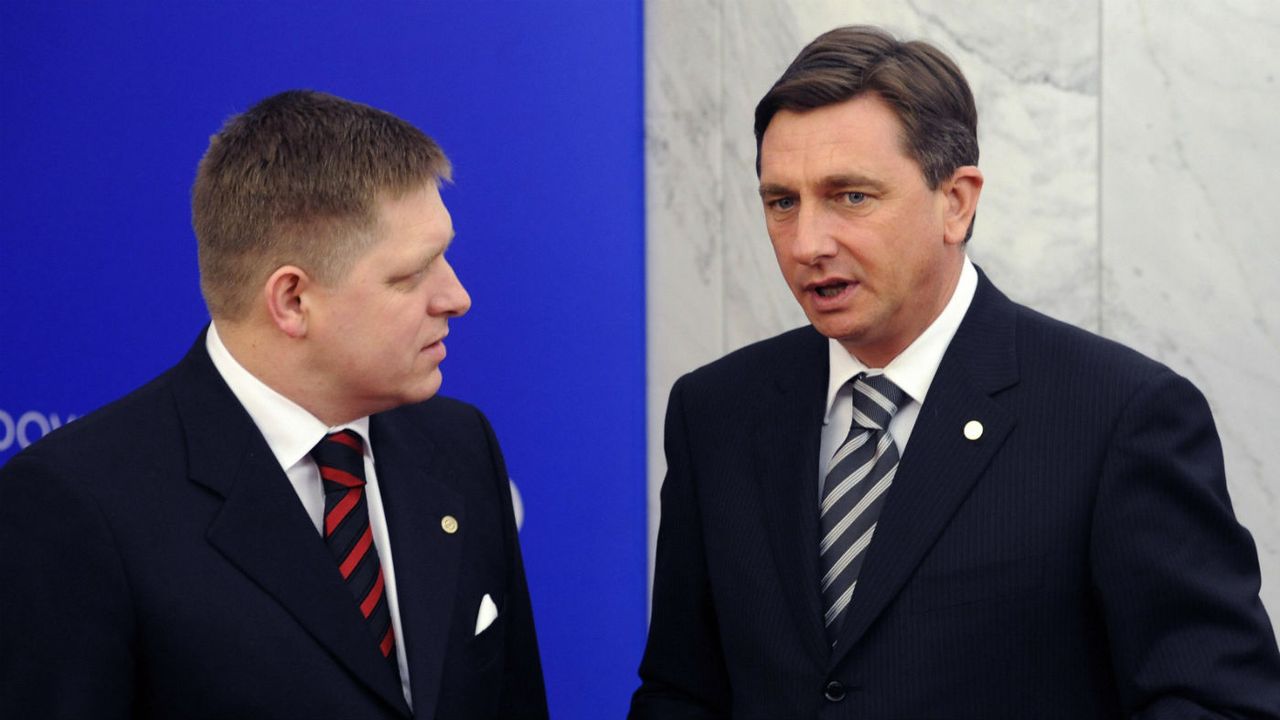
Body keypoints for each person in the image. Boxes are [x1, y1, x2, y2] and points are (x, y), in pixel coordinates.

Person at [630, 26, 1280, 718]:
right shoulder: (716, 412)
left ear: (957, 201)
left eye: (851, 196)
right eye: (782, 202)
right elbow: (684, 691)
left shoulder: (1118, 416)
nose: (808, 243)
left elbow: (1216, 703)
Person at [0, 90, 547, 719]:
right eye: (409, 276)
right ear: (291, 300)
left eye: (445, 255)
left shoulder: (459, 445)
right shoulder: (78, 506)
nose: (457, 296)